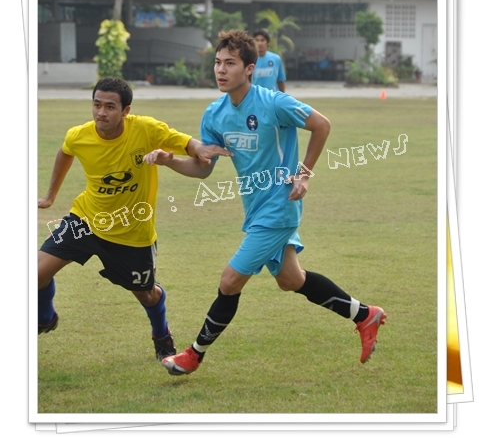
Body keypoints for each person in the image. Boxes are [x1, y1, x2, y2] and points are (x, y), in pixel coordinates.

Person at [144, 30, 387, 376]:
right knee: (291, 279)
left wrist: (303, 174)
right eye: (217, 62)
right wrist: (170, 160)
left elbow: (322, 125)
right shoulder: (214, 114)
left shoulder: (273, 103)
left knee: (229, 282)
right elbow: (203, 169)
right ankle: (366, 315)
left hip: (279, 207)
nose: (221, 70)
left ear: (250, 69)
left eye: (230, 63)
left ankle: (193, 355)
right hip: (255, 208)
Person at [38, 76, 228, 362]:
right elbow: (66, 152)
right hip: (86, 221)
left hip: (132, 233)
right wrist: (51, 195)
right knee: (34, 273)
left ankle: (161, 332)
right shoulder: (79, 135)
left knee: (147, 294)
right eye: (97, 104)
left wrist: (199, 149)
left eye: (110, 107)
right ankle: (45, 317)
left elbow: (187, 144)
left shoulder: (146, 129)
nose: (102, 112)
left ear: (126, 110)